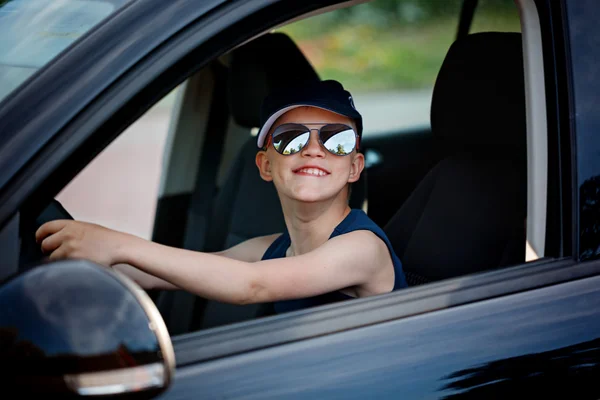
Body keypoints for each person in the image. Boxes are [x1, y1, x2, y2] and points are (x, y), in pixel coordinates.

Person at [35, 79, 408, 314]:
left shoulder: (362, 248)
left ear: (355, 167)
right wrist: (73, 257)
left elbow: (251, 284)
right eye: (290, 137)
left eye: (336, 140)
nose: (314, 149)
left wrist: (119, 243)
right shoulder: (270, 249)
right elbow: (166, 274)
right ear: (264, 165)